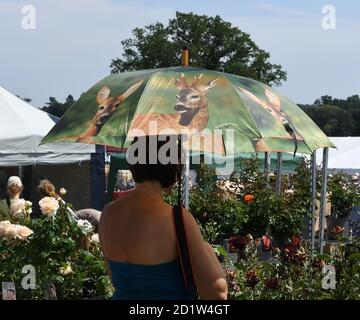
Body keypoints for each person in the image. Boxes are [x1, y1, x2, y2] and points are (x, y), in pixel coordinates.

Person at [99, 136, 227, 300]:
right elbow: (217, 294)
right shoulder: (177, 219)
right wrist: (207, 250)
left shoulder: (108, 213)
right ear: (172, 166)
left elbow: (117, 279)